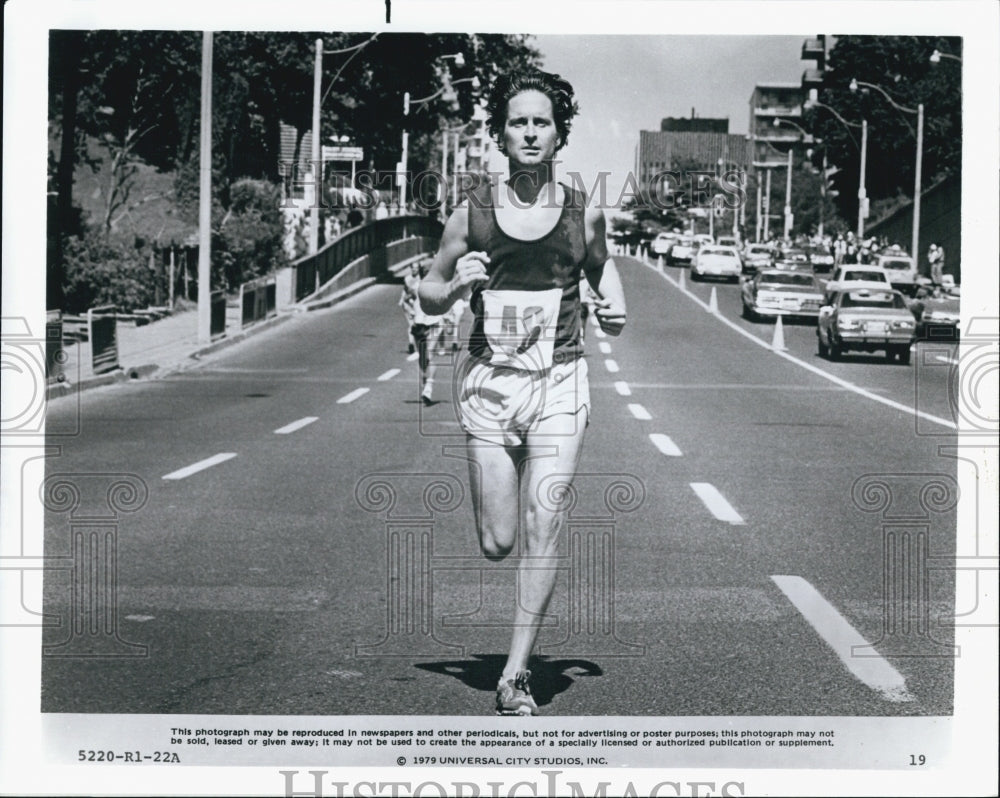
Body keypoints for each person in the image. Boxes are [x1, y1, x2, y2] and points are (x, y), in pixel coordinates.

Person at [419, 68, 626, 716]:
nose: (530, 132)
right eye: (519, 122)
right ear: (502, 134)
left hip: (560, 380)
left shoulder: (580, 208)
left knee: (546, 523)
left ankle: (515, 676)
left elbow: (602, 267)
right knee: (498, 541)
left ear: (559, 134)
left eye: (542, 122)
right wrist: (453, 290)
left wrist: (613, 305)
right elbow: (428, 285)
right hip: (490, 386)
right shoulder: (473, 211)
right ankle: (493, 495)